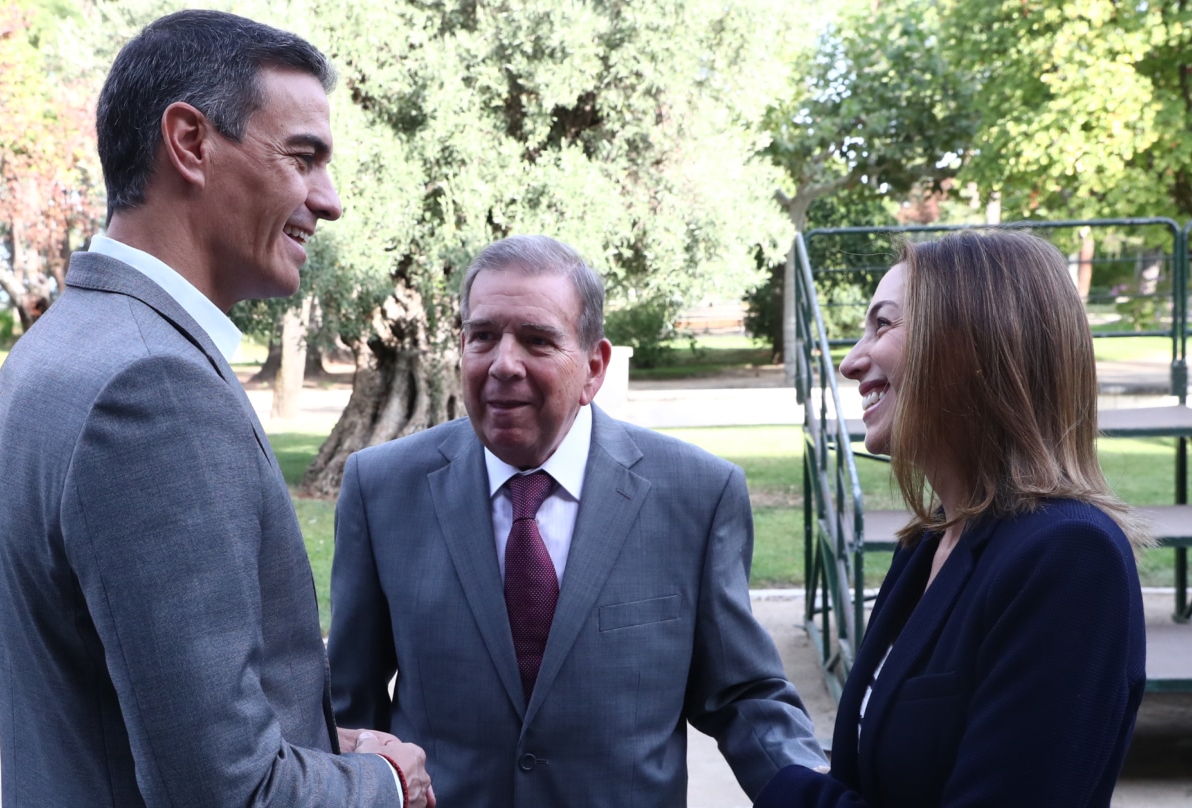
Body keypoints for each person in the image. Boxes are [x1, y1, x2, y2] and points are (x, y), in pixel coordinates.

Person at [0, 11, 430, 807]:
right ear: (189, 142)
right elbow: (226, 791)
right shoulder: (154, 389)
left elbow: (128, 715)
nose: (328, 201)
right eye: (303, 157)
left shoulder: (54, 350)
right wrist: (384, 782)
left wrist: (322, 743)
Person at [327, 234, 828, 807]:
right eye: (483, 336)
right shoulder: (381, 488)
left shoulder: (697, 494)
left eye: (538, 341)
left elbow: (741, 696)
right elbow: (349, 704)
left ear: (594, 367)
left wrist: (814, 795)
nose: (503, 364)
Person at [755, 230, 1149, 807]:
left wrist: (786, 787)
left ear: (972, 345)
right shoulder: (930, 542)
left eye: (883, 325)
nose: (849, 362)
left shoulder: (1069, 558)